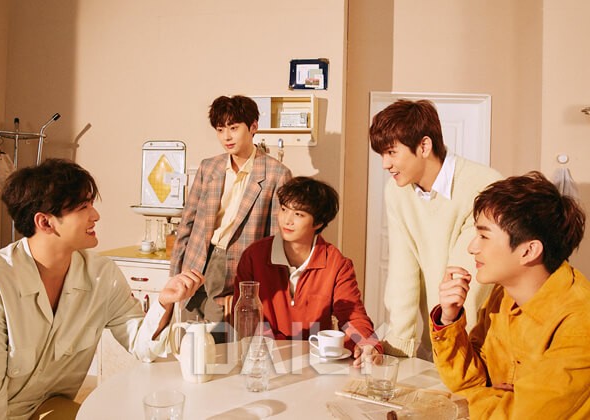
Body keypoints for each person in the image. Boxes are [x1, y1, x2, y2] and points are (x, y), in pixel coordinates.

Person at [0, 159, 204, 419]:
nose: (95, 216)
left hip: (48, 407)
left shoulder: (102, 275)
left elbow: (142, 345)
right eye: (83, 207)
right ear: (45, 222)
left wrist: (165, 302)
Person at [431, 171, 590, 418]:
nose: (472, 247)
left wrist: (483, 397)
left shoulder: (580, 322)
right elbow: (466, 382)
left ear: (529, 251)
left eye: (484, 236)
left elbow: (519, 415)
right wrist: (449, 320)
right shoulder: (502, 294)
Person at [369, 99, 502, 359]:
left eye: (392, 152)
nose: (385, 164)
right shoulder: (396, 192)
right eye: (382, 154)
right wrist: (399, 346)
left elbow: (468, 284)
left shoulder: (483, 185)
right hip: (438, 339)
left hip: (478, 344)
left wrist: (453, 353)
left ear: (424, 146)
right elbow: (402, 270)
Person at [170, 95, 291, 338]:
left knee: (220, 342)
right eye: (220, 129)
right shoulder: (209, 167)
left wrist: (255, 290)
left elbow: (275, 242)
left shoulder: (276, 174)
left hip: (236, 268)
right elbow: (187, 223)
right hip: (197, 260)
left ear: (253, 127)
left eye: (234, 128)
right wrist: (175, 273)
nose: (226, 137)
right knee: (188, 338)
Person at [233, 177, 382, 366]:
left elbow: (352, 315)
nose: (287, 220)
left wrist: (367, 344)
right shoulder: (254, 256)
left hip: (317, 364)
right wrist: (279, 351)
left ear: (318, 222)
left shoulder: (337, 264)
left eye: (298, 214)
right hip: (264, 361)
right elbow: (246, 317)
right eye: (284, 209)